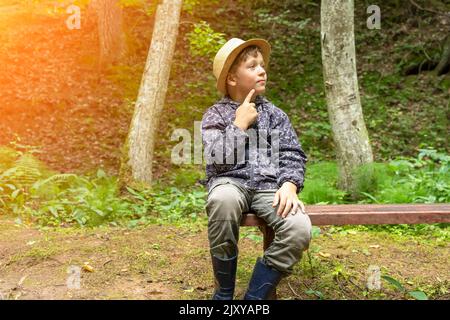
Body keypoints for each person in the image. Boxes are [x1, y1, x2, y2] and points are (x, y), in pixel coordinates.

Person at [201, 38, 312, 300]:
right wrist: (238, 125)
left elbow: (292, 154)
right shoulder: (215, 115)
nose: (262, 70)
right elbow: (216, 159)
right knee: (222, 200)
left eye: (262, 65)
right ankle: (224, 293)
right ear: (231, 79)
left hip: (269, 189)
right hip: (229, 183)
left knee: (298, 228)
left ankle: (254, 297)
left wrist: (289, 185)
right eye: (252, 66)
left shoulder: (276, 115)